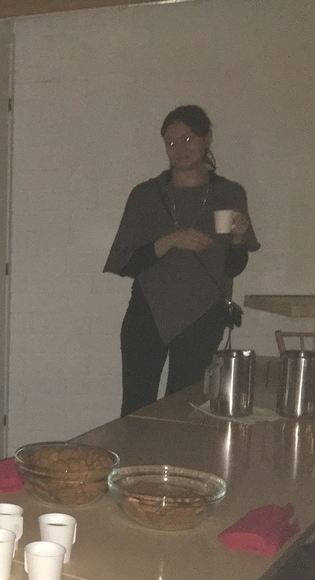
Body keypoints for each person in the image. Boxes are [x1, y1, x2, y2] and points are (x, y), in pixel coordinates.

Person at [104, 105, 259, 416]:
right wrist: (170, 241)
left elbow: (232, 267)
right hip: (147, 314)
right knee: (136, 410)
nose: (180, 148)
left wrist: (240, 236)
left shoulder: (229, 194)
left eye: (188, 138)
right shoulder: (145, 195)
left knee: (184, 412)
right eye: (171, 142)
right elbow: (125, 264)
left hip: (203, 317)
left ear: (207, 139)